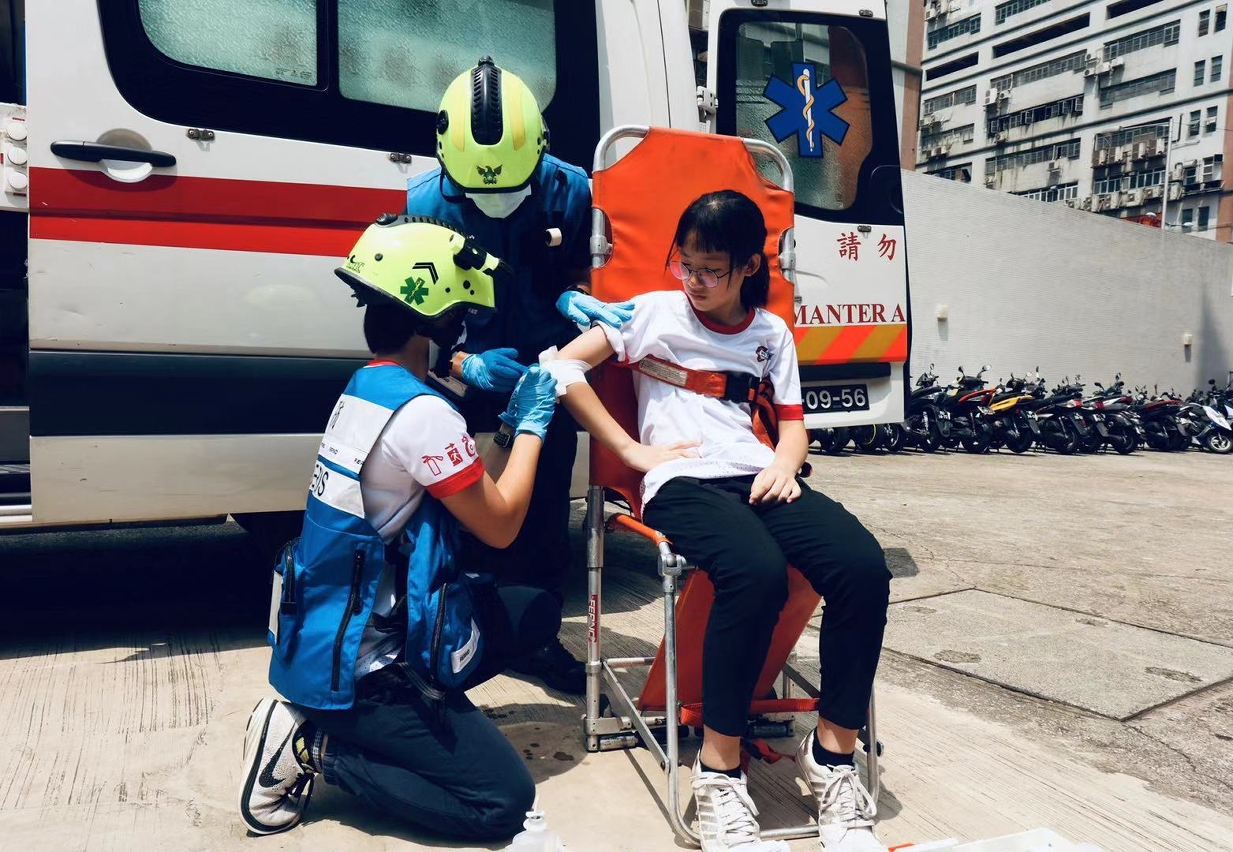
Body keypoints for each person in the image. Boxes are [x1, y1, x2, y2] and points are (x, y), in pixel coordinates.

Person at [545, 191, 892, 852]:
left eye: (711, 270)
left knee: (862, 569)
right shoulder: (652, 312)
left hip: (757, 474)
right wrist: (630, 451)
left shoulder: (771, 334)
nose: (695, 281)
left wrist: (786, 463)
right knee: (755, 574)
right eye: (686, 264)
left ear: (748, 267)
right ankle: (720, 770)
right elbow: (561, 368)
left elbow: (793, 427)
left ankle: (833, 756)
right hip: (680, 482)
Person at [239, 216, 563, 843]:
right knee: (502, 802)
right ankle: (313, 747)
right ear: (436, 323)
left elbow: (469, 491)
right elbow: (500, 525)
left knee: (533, 613)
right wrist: (531, 427)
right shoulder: (422, 414)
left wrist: (501, 427)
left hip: (331, 627)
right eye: (462, 319)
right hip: (364, 668)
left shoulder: (372, 385)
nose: (466, 333)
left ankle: (404, 721)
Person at [406, 56, 632, 694]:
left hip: (546, 376)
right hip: (472, 381)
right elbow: (419, 321)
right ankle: (462, 629)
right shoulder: (424, 203)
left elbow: (581, 276)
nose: (498, 206)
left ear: (540, 151)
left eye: (511, 189)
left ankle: (535, 637)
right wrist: (463, 362)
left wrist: (574, 298)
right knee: (464, 509)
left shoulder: (571, 190)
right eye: (483, 193)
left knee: (544, 507)